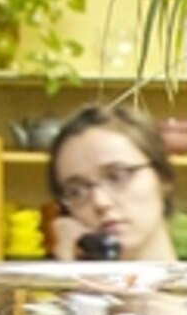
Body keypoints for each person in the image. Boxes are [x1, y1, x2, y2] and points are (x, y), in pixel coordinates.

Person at [47, 105, 178, 262]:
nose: (100, 202)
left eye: (117, 177)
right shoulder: (64, 280)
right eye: (76, 191)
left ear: (163, 177)